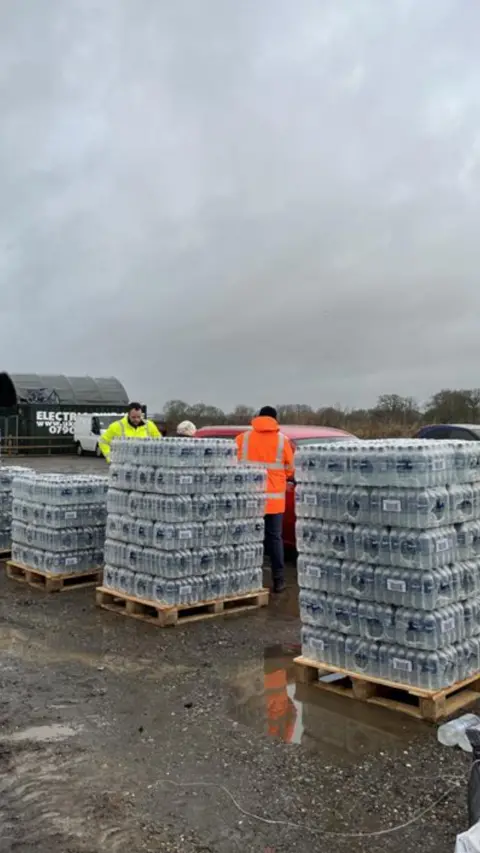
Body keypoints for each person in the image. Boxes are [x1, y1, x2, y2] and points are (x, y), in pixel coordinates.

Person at [236, 406, 294, 593]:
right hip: (274, 500)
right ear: (275, 419)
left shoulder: (242, 438)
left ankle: (247, 579)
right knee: (274, 538)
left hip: (248, 499)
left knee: (248, 539)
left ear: (258, 417)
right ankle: (278, 580)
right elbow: (290, 469)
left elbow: (231, 464)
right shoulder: (282, 440)